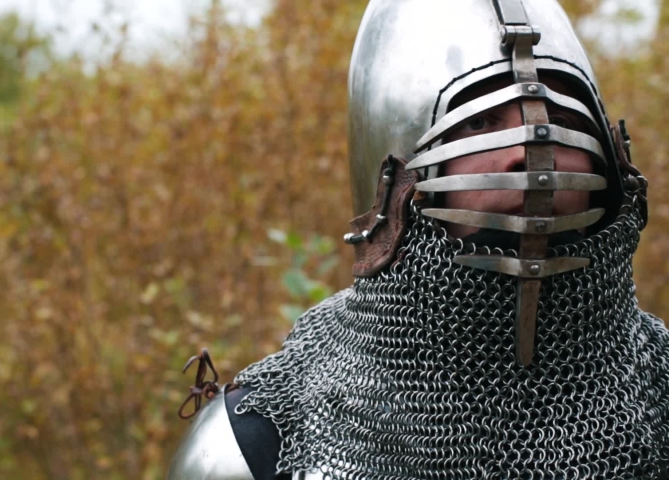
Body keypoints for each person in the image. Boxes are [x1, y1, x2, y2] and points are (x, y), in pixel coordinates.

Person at [167, 0, 669, 478]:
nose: (533, 153)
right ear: (393, 179)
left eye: (561, 121)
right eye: (479, 122)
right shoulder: (259, 442)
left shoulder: (659, 392)